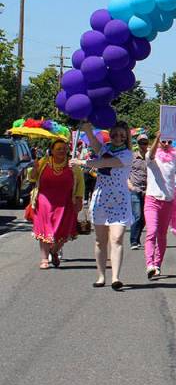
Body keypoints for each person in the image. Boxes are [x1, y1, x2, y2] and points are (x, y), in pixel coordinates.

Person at [71, 121, 134, 290]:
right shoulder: (104, 148)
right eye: (114, 134)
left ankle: (115, 277)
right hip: (101, 199)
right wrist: (87, 128)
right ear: (110, 134)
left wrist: (82, 162)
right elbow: (93, 142)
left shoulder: (128, 155)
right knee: (100, 240)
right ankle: (100, 276)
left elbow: (104, 164)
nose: (118, 138)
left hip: (119, 201)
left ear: (127, 137)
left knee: (117, 239)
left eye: (122, 135)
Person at [143, 129, 176, 278]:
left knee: (161, 234)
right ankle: (149, 264)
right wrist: (157, 138)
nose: (166, 144)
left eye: (169, 141)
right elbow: (151, 154)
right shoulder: (151, 156)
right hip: (152, 199)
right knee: (151, 231)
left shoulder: (174, 157)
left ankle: (157, 264)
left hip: (167, 201)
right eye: (163, 141)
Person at [29, 138, 84, 269]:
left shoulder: (73, 166)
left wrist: (79, 199)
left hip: (66, 203)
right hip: (44, 202)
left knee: (63, 233)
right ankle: (44, 259)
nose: (62, 151)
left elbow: (80, 184)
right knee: (44, 230)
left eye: (64, 149)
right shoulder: (43, 162)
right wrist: (35, 169)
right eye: (58, 148)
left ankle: (54, 251)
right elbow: (32, 177)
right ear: (52, 151)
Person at [127, 133, 149, 250]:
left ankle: (137, 237)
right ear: (138, 144)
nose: (143, 145)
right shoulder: (132, 157)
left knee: (144, 218)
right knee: (137, 215)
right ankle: (133, 241)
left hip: (148, 191)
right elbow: (125, 174)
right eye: (141, 142)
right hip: (135, 189)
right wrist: (130, 186)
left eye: (145, 143)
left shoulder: (150, 158)